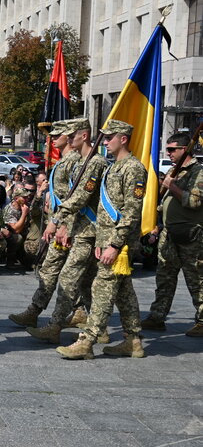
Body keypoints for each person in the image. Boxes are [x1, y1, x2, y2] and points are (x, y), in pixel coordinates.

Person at [57, 119, 147, 359]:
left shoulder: (133, 168)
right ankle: (133, 340)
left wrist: (115, 244)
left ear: (123, 139)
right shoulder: (112, 167)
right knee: (123, 292)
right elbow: (102, 209)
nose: (105, 142)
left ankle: (87, 341)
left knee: (101, 288)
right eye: (104, 138)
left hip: (119, 244)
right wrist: (100, 241)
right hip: (105, 240)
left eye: (109, 138)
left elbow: (131, 211)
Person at [27, 118, 107, 345]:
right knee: (86, 282)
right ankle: (97, 326)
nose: (68, 141)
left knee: (68, 278)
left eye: (72, 136)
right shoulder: (82, 161)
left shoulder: (94, 162)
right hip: (80, 229)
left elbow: (80, 197)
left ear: (84, 136)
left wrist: (58, 221)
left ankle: (55, 326)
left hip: (88, 231)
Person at [9, 121, 81, 328]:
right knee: (49, 270)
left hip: (68, 227)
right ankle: (35, 311)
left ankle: (78, 314)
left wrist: (63, 224)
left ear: (69, 137)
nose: (52, 139)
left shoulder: (75, 163)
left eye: (57, 135)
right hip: (57, 224)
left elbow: (77, 199)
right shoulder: (63, 162)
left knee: (72, 276)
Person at [142, 132, 203, 336]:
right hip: (169, 233)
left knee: (197, 280)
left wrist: (171, 186)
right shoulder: (174, 172)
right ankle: (157, 316)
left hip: (191, 235)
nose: (168, 153)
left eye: (172, 149)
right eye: (167, 149)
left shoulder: (198, 172)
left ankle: (202, 319)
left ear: (185, 149)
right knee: (165, 277)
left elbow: (194, 202)